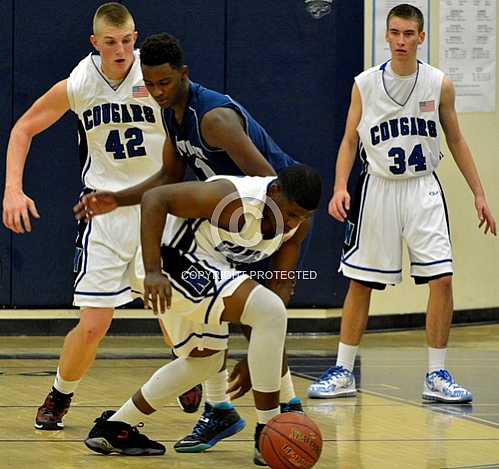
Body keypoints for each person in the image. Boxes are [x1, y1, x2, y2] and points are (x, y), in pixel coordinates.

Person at [75, 32, 305, 452]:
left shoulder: (215, 120)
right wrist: (116, 199)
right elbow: (167, 179)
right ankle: (263, 416)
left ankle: (272, 412)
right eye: (151, 84)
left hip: (245, 224)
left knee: (236, 334)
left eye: (165, 83)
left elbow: (270, 187)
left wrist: (276, 252)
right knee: (242, 328)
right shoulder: (173, 112)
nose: (158, 92)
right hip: (199, 239)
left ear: (184, 74)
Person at [0, 3, 194, 430]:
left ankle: (189, 371)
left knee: (173, 311)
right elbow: (22, 129)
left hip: (157, 205)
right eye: (111, 43)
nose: (121, 50)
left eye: (127, 40)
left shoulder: (158, 76)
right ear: (95, 44)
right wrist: (13, 189)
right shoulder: (81, 82)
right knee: (93, 324)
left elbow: (195, 121)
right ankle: (59, 395)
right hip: (103, 210)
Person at [308, 4, 496, 402]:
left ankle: (436, 375)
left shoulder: (439, 84)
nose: (401, 41)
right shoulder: (364, 84)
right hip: (377, 187)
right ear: (387, 36)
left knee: (442, 278)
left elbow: (457, 140)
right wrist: (341, 187)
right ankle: (343, 370)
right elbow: (348, 141)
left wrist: (479, 192)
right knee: (361, 282)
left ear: (421, 38)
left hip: (423, 188)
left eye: (409, 34)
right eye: (394, 33)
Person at [83, 165, 322, 466]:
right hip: (168, 262)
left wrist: (262, 354)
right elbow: (155, 198)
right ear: (274, 192)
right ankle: (267, 430)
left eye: (302, 217)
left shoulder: (297, 226)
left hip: (205, 267)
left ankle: (116, 427)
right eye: (290, 213)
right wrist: (154, 271)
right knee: (268, 312)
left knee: (205, 360)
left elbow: (281, 282)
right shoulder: (234, 198)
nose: (293, 222)